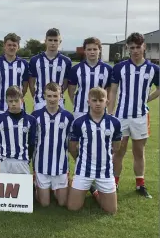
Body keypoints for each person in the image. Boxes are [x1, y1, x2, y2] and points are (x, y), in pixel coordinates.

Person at [107, 32, 159, 198]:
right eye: (132, 48)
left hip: (140, 117)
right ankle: (114, 183)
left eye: (138, 47)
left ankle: (140, 185)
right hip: (121, 116)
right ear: (127, 48)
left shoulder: (153, 69)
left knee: (139, 151)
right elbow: (113, 91)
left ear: (143, 46)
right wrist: (110, 113)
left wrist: (146, 100)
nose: (135, 50)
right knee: (118, 151)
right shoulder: (120, 67)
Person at [67, 87, 121, 214]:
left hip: (105, 171)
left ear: (106, 102)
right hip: (84, 169)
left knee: (111, 210)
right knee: (72, 207)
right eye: (94, 100)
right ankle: (77, 184)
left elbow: (117, 147)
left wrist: (105, 157)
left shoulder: (115, 122)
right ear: (88, 102)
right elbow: (72, 147)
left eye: (101, 100)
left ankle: (95, 192)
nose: (97, 103)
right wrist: (80, 159)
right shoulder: (79, 122)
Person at [31, 82, 74, 207]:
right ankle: (37, 186)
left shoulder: (68, 117)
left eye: (55, 96)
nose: (52, 99)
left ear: (60, 97)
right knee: (44, 204)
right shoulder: (36, 116)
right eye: (49, 96)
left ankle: (65, 184)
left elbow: (71, 142)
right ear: (44, 96)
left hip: (60, 166)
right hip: (41, 166)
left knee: (62, 203)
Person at [0, 85, 36, 174]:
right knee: (4, 187)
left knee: (23, 188)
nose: (13, 104)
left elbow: (32, 143)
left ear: (22, 100)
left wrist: (27, 158)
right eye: (10, 101)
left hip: (22, 162)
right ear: (6, 101)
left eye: (16, 101)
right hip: (5, 161)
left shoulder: (31, 120)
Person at [68, 37, 113, 119]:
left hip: (100, 111)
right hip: (81, 111)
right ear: (84, 51)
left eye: (95, 49)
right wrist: (77, 104)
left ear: (99, 50)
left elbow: (110, 92)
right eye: (89, 49)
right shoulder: (76, 69)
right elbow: (71, 91)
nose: (92, 52)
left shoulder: (108, 69)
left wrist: (106, 106)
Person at [28, 28, 72, 111]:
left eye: (55, 40)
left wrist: (57, 93)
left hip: (58, 102)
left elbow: (65, 83)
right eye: (50, 40)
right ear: (45, 41)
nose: (53, 43)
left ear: (60, 42)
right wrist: (36, 97)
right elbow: (31, 82)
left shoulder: (66, 61)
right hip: (40, 102)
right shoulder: (35, 60)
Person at [0, 33, 29, 117]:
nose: (12, 47)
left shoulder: (24, 64)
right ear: (4, 46)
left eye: (14, 45)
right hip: (0, 107)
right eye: (9, 45)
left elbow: (25, 85)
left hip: (19, 107)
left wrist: (17, 98)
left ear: (18, 47)